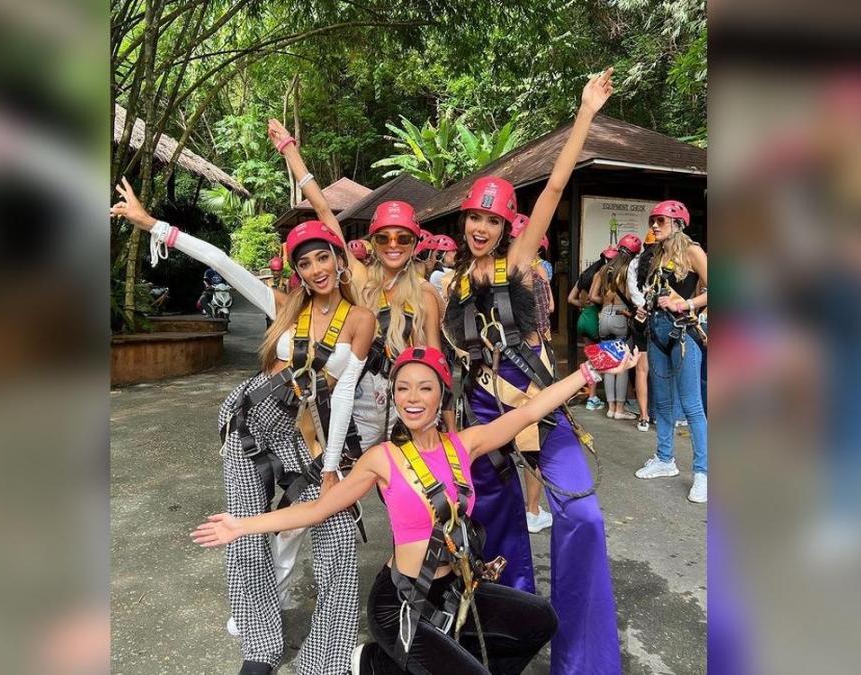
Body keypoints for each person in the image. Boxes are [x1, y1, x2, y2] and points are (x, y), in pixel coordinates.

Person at [191, 344, 637, 674]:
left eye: (424, 387)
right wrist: (242, 524)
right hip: (401, 604)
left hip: (455, 591)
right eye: (402, 387)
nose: (412, 396)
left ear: (442, 396)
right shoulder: (381, 459)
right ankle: (373, 662)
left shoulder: (466, 444)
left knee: (540, 619)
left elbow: (531, 410)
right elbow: (316, 511)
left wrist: (587, 371)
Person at [111, 178, 376, 675]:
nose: (316, 269)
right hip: (249, 426)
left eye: (323, 258)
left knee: (337, 531)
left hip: (305, 434)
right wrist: (153, 225)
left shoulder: (361, 319)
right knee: (246, 534)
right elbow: (221, 262)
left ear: (339, 261)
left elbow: (341, 394)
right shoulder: (284, 307)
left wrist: (332, 469)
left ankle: (326, 655)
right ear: (296, 271)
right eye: (305, 262)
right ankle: (259, 646)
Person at [442, 68, 622, 675]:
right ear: (464, 224)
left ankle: (584, 661)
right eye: (475, 219)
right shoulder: (451, 287)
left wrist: (584, 116)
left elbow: (551, 192)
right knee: (496, 536)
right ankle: (509, 650)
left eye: (492, 220)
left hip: (541, 408)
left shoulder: (518, 264)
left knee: (584, 517)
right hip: (485, 417)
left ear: (505, 228)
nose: (481, 227)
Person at [268, 118, 443, 448]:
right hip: (358, 396)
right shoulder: (361, 280)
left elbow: (434, 354)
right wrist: (289, 150)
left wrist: (442, 416)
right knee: (334, 475)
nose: (393, 245)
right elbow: (323, 211)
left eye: (402, 238)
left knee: (406, 489)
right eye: (385, 238)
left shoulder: (425, 293)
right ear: (374, 242)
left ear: (414, 243)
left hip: (405, 400)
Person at [634, 200, 708, 503]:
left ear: (678, 224)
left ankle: (702, 473)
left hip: (683, 335)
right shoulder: (656, 256)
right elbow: (655, 293)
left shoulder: (692, 252)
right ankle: (665, 459)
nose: (654, 225)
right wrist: (645, 308)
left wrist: (686, 304)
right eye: (653, 220)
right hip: (657, 333)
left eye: (661, 221)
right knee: (661, 403)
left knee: (691, 406)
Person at [510, 214, 554, 534]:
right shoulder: (538, 271)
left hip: (507, 356)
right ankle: (532, 509)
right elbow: (549, 308)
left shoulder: (496, 272)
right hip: (534, 352)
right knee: (531, 437)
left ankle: (525, 508)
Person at [589, 233, 642, 421]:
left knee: (608, 363)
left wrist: (606, 303)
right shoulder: (628, 270)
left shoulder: (604, 269)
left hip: (604, 316)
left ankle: (610, 408)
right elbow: (632, 297)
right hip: (621, 317)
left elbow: (592, 296)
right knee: (623, 365)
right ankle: (620, 409)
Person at [568, 247, 616, 410]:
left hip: (584, 318)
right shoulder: (606, 275)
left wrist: (584, 306)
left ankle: (589, 394)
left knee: (589, 359)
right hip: (596, 319)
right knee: (599, 360)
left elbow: (570, 299)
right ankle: (594, 397)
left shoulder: (585, 275)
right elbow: (602, 299)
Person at [626, 229, 656, 431]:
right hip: (660, 318)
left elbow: (633, 293)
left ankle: (643, 416)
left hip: (640, 318)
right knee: (663, 369)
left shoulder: (634, 264)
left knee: (641, 370)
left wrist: (642, 307)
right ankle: (660, 415)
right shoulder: (663, 262)